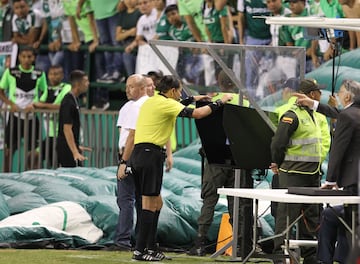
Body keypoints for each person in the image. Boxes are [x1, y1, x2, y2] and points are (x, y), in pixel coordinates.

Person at [130, 75, 233, 261]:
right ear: (171, 91)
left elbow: (179, 104)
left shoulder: (153, 101)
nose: (180, 95)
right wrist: (220, 102)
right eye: (179, 91)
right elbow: (197, 114)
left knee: (157, 203)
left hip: (140, 155)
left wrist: (195, 98)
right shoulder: (167, 104)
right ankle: (140, 250)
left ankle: (151, 248)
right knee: (149, 204)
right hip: (150, 155)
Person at [294, 79, 360, 262]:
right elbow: (340, 113)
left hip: (354, 184)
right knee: (337, 216)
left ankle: (325, 260)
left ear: (347, 96)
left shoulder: (349, 116)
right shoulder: (353, 113)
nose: (337, 95)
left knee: (336, 216)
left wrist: (330, 181)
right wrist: (312, 103)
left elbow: (337, 151)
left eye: (340, 92)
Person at [188, 70, 250, 257]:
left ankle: (200, 242)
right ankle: (240, 243)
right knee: (236, 201)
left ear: (219, 83)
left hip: (216, 157)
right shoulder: (245, 102)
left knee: (209, 199)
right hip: (239, 158)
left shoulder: (211, 100)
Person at [270, 79, 323, 264]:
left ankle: (310, 256)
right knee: (286, 216)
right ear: (312, 95)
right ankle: (280, 255)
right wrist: (277, 162)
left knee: (311, 217)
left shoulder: (313, 114)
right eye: (318, 92)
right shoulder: (292, 114)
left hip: (311, 174)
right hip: (293, 174)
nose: (320, 96)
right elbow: (277, 143)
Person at [114, 74, 149, 251]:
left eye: (132, 86)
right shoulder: (129, 106)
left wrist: (123, 161)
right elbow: (123, 134)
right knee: (141, 200)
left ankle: (123, 240)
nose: (128, 90)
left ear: (142, 88)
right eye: (127, 86)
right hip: (138, 156)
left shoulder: (137, 107)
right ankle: (141, 241)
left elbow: (131, 137)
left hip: (131, 156)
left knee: (125, 199)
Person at [0, 46, 47, 172]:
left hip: (32, 118)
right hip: (15, 117)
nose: (26, 59)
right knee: (8, 151)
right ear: (19, 57)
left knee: (33, 153)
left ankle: (30, 177)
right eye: (24, 56)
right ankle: (5, 178)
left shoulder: (39, 74)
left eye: (29, 57)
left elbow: (45, 92)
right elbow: (1, 90)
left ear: (34, 58)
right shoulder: (10, 72)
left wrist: (35, 104)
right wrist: (11, 104)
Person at [33, 65, 71, 168]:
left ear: (62, 75)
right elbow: (38, 104)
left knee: (58, 162)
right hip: (48, 134)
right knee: (34, 157)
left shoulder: (66, 87)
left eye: (56, 74)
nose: (53, 77)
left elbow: (63, 106)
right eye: (51, 74)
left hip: (61, 133)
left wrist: (43, 106)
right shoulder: (47, 89)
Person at [56, 70, 90, 168]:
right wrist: (75, 152)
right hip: (66, 149)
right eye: (86, 81)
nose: (88, 84)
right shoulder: (68, 102)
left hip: (70, 147)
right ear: (78, 84)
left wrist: (77, 146)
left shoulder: (75, 99)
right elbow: (67, 129)